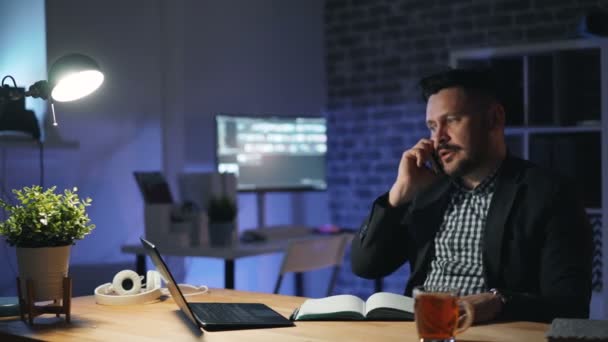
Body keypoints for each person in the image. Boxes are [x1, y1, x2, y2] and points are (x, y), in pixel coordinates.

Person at [350, 68, 593, 323]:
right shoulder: (427, 192)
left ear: (494, 119)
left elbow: (571, 305)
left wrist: (500, 301)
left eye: (452, 120)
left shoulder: (549, 193)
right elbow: (367, 266)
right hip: (423, 329)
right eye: (432, 126)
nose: (438, 138)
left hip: (492, 333)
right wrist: (398, 194)